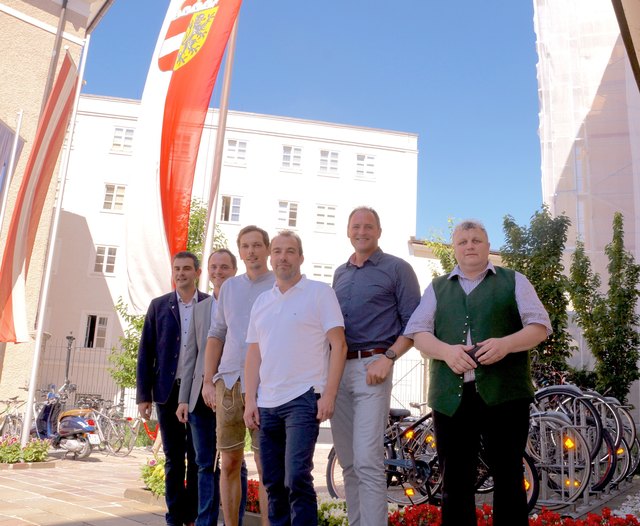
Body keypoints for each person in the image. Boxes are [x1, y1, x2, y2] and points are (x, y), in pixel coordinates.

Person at [405, 219, 551, 526]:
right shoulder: (437, 288)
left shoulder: (515, 281)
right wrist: (446, 351)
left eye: (476, 240)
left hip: (505, 396)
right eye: (463, 241)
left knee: (509, 476)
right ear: (454, 249)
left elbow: (540, 327)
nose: (470, 245)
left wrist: (507, 344)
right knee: (455, 481)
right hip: (451, 399)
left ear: (487, 246)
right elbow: (418, 333)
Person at [243, 231, 347, 526]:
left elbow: (338, 345)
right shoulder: (262, 301)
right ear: (270, 257)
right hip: (267, 402)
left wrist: (329, 394)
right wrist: (250, 400)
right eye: (277, 251)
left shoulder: (319, 293)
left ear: (300, 257)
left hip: (303, 397)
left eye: (290, 251)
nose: (282, 257)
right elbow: (253, 355)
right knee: (273, 482)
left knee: (296, 477)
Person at [331, 206, 421, 526]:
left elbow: (415, 323)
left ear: (379, 232)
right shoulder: (340, 273)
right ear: (348, 231)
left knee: (368, 462)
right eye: (356, 226)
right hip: (338, 369)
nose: (362, 231)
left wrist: (389, 358)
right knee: (349, 463)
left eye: (369, 226)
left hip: (374, 366)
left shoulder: (398, 269)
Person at [202, 226, 274, 526]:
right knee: (229, 462)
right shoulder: (229, 288)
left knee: (265, 464)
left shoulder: (278, 284)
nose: (251, 251)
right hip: (228, 383)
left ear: (268, 249)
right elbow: (217, 333)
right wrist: (208, 380)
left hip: (266, 384)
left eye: (257, 245)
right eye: (245, 246)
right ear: (240, 250)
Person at [176, 249, 247, 526]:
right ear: (207, 271)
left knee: (234, 461)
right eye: (214, 267)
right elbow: (190, 355)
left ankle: (234, 521)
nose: (219, 272)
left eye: (225, 267)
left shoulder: (245, 302)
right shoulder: (200, 308)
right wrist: (184, 399)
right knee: (204, 464)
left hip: (232, 392)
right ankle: (205, 521)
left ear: (234, 270)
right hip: (200, 395)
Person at [137, 251, 207, 526]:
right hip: (167, 391)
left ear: (197, 273)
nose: (181, 273)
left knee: (198, 456)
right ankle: (176, 517)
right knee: (173, 458)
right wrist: (144, 395)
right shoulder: (159, 306)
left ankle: (193, 515)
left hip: (198, 392)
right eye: (177, 269)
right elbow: (146, 351)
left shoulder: (209, 305)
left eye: (187, 269)